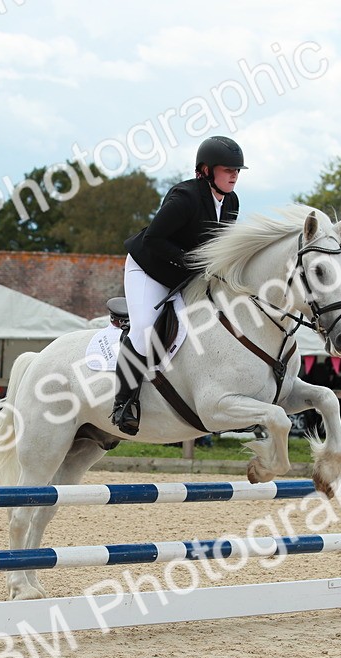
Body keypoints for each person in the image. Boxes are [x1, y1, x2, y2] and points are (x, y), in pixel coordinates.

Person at [110, 135, 245, 435]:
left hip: (187, 276)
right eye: (228, 169)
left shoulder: (231, 203)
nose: (234, 174)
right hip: (149, 268)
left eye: (237, 170)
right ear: (207, 170)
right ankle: (123, 402)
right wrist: (190, 262)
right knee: (145, 328)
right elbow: (153, 239)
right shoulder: (185, 197)